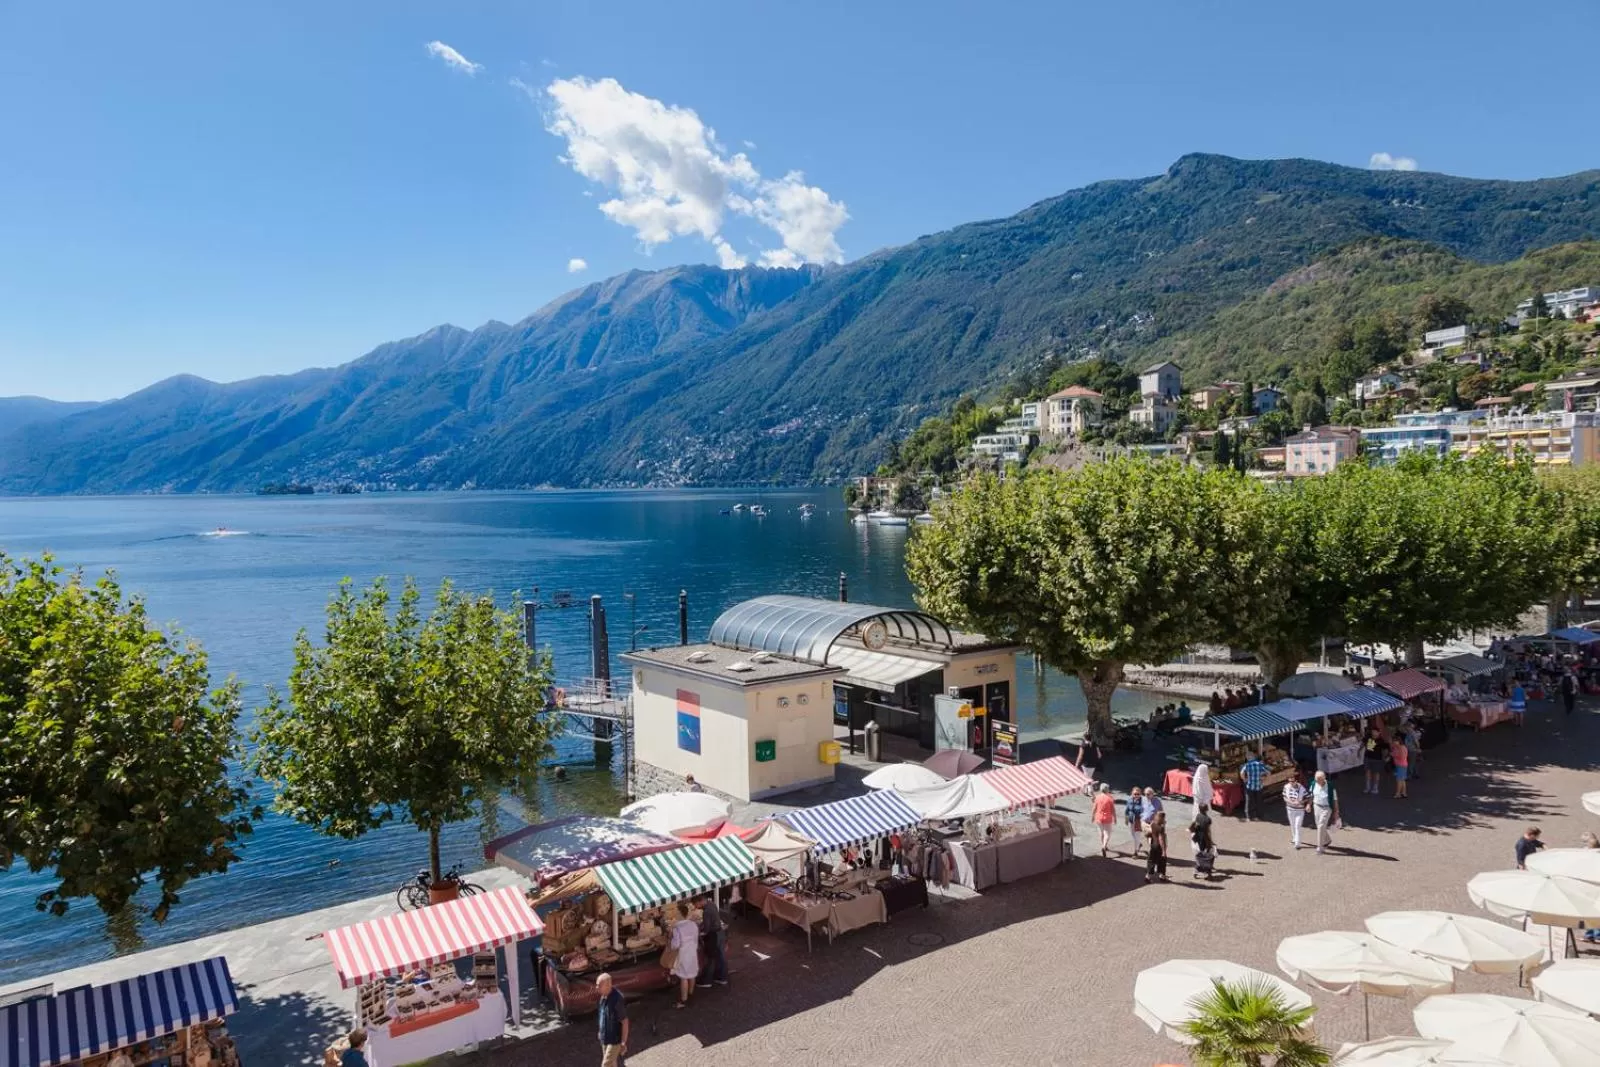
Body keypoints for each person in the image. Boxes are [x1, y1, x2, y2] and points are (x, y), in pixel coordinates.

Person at [666, 902, 700, 1008]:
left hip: (683, 954)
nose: (675, 915)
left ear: (680, 914)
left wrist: (670, 936)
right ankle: (691, 994)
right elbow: (696, 939)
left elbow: (675, 945)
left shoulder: (677, 928)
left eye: (676, 913)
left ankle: (683, 1000)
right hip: (693, 952)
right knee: (692, 973)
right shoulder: (693, 924)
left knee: (684, 977)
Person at [596, 972, 629, 1067]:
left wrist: (623, 1041)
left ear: (607, 985)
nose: (596, 988)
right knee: (612, 1064)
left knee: (606, 1065)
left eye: (599, 985)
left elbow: (625, 1021)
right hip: (604, 1037)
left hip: (615, 1040)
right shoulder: (603, 997)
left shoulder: (617, 999)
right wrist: (600, 1031)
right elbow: (602, 1015)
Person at [696, 894, 729, 988]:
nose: (696, 906)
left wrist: (699, 932)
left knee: (710, 957)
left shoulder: (706, 911)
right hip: (720, 933)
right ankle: (721, 977)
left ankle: (707, 980)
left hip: (714, 935)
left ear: (700, 901)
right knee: (720, 957)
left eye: (696, 904)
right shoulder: (712, 904)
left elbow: (706, 929)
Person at [1311, 770, 1340, 855]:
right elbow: (1311, 794)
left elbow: (1335, 800)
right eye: (1316, 779)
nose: (1317, 782)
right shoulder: (1313, 783)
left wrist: (1336, 812)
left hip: (1326, 808)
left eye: (1319, 780)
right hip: (1316, 806)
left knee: (1321, 825)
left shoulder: (1330, 787)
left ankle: (1320, 847)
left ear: (1324, 778)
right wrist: (1308, 805)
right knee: (1319, 825)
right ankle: (1327, 840)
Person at [1282, 769, 1308, 850]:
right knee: (1292, 825)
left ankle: (1298, 843)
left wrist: (1300, 801)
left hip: (1300, 810)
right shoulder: (1286, 787)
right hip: (1290, 809)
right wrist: (1290, 801)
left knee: (1297, 826)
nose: (1291, 783)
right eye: (1290, 781)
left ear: (1296, 781)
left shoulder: (1302, 788)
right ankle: (1294, 838)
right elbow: (1284, 797)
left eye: (1293, 781)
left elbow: (1307, 797)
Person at [1190, 805, 1215, 880]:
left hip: (1199, 838)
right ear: (1206, 809)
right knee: (1208, 856)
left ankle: (1196, 871)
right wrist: (1211, 841)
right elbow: (1208, 831)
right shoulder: (1208, 819)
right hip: (1205, 839)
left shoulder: (1198, 816)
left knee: (1201, 854)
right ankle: (1207, 873)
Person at [1091, 783, 1117, 857]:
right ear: (1107, 789)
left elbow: (1094, 808)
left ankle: (1103, 845)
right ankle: (1104, 846)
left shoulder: (1097, 797)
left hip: (1098, 818)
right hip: (1107, 818)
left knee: (1101, 833)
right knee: (1107, 834)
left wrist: (1092, 816)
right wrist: (1115, 818)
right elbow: (1113, 810)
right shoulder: (1110, 798)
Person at [1240, 752, 1267, 821]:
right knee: (1259, 801)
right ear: (1254, 757)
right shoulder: (1260, 764)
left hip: (1250, 785)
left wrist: (1245, 779)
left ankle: (1249, 816)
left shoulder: (1247, 765)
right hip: (1259, 786)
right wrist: (1263, 780)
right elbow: (1267, 772)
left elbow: (1242, 773)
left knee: (1249, 801)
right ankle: (1259, 816)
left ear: (1248, 758)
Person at [1145, 810, 1169, 884]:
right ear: (1162, 818)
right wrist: (1164, 851)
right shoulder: (1161, 827)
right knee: (1162, 861)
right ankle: (1162, 876)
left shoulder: (1153, 823)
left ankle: (1148, 876)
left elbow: (1150, 833)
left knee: (1151, 860)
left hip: (1153, 844)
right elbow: (1161, 839)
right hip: (1159, 846)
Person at [1362, 725, 1386, 795]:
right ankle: (1368, 787)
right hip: (1368, 757)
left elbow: (1384, 749)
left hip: (1377, 758)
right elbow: (1364, 744)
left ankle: (1375, 787)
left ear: (1379, 733)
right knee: (1367, 771)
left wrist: (1385, 757)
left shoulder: (1381, 740)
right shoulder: (1368, 737)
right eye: (1373, 732)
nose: (1374, 733)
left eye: (1375, 732)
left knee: (1376, 773)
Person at [1127, 786, 1145, 856]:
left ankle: (1136, 852)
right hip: (1131, 820)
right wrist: (1126, 818)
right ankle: (1139, 844)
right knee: (1132, 834)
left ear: (1140, 794)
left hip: (1139, 821)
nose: (1136, 795)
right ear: (1132, 793)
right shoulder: (1130, 800)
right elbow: (1127, 809)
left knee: (1137, 837)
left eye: (1138, 794)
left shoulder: (1143, 801)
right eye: (1135, 794)